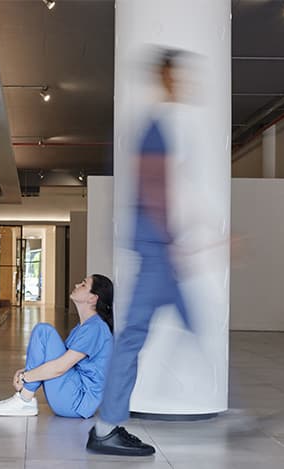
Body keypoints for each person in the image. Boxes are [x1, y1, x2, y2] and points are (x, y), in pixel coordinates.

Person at [87, 48, 195, 457]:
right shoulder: (155, 128)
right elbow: (152, 187)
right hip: (155, 247)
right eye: (178, 75)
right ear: (166, 76)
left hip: (157, 245)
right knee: (133, 337)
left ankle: (106, 425)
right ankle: (105, 428)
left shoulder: (160, 126)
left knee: (184, 320)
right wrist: (169, 239)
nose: (182, 83)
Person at [0, 274, 114, 418]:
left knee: (44, 332)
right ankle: (24, 399)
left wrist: (26, 377)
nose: (77, 285)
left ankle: (25, 399)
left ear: (93, 298)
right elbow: (56, 362)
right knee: (43, 332)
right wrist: (27, 371)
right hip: (72, 396)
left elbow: (60, 368)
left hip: (76, 402)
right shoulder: (83, 327)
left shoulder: (95, 328)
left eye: (83, 284)